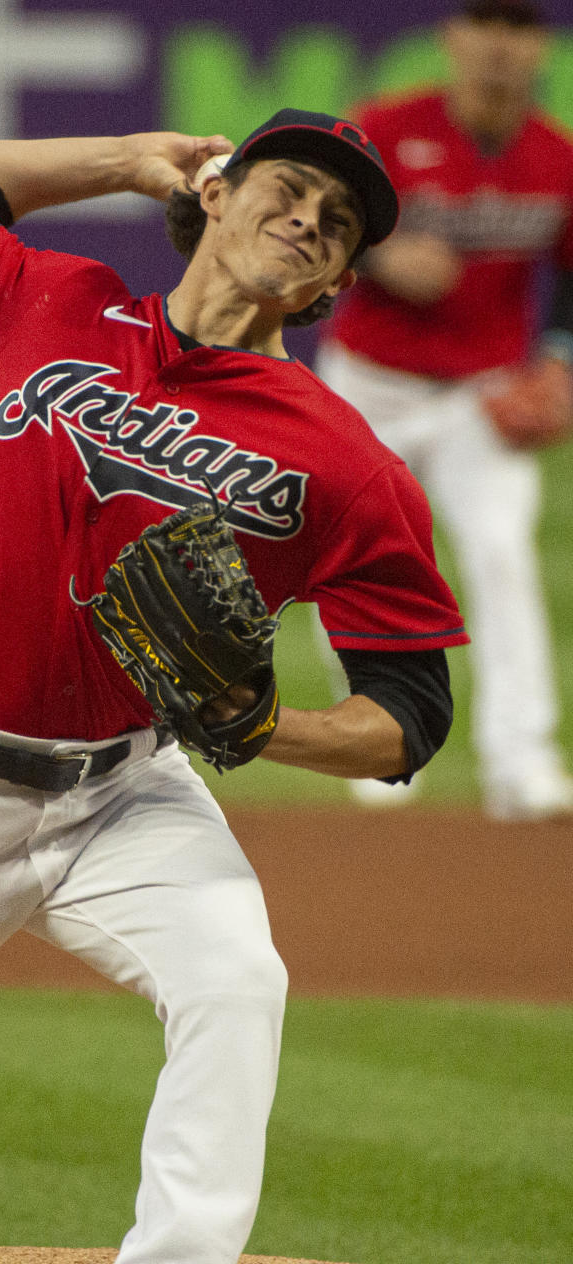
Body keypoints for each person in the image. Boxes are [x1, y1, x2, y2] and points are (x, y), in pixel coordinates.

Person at [0, 110, 468, 1264]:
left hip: (126, 792)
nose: (310, 217)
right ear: (216, 193)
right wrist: (122, 161)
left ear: (335, 282)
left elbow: (410, 714)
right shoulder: (51, 300)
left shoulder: (345, 464)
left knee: (237, 981)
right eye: (290, 187)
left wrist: (270, 730)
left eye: (341, 220)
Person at [315, 0, 573, 820]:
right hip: (370, 385)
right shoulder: (386, 129)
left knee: (500, 554)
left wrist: (561, 361)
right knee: (348, 563)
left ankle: (522, 765)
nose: (501, 46)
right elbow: (304, 216)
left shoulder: (556, 157)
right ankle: (373, 744)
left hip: (481, 397)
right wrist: (379, 253)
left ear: (539, 46)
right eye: (486, 25)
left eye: (519, 28)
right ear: (453, 39)